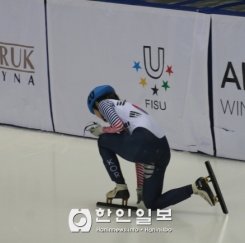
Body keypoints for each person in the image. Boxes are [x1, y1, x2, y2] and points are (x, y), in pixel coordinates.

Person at [86, 84, 215, 210]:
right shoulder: (128, 109)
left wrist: (101, 130)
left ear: (96, 104)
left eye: (94, 112)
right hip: (162, 151)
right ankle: (195, 187)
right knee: (152, 203)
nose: (97, 115)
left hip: (145, 144)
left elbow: (118, 126)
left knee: (103, 140)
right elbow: (139, 157)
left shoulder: (104, 104)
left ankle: (120, 186)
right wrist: (140, 190)